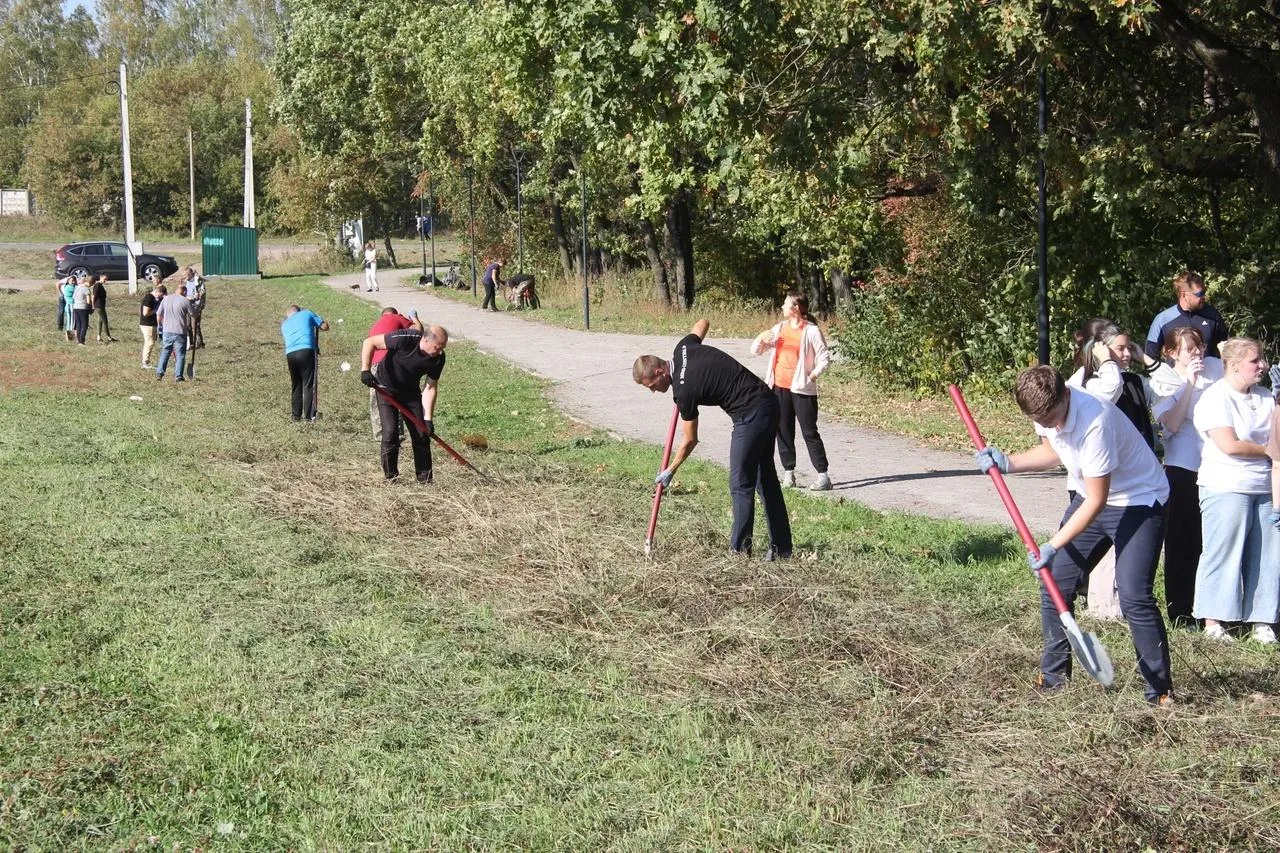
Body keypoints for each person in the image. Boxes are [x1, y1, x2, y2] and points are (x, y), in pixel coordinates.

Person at [975, 365, 1172, 705]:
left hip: (1139, 500)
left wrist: (1053, 543)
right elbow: (1055, 450)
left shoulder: (1095, 421)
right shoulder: (1045, 408)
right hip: (1093, 497)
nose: (1050, 425)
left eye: (1053, 417)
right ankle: (1053, 680)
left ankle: (1159, 692)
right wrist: (1009, 462)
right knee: (1055, 583)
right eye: (1042, 420)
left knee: (1133, 595)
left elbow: (1097, 500)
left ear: (1066, 394)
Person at [633, 319, 793, 559]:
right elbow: (703, 323)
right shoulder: (683, 348)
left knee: (741, 484)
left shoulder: (683, 392)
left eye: (652, 385)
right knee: (764, 479)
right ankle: (782, 550)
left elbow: (690, 439)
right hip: (767, 403)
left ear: (660, 371)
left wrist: (670, 470)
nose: (653, 391)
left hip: (749, 415)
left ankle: (739, 553)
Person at [1191, 338, 1277, 644]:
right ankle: (1214, 621)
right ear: (1233, 364)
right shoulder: (1215, 398)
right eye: (1255, 360)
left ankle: (1262, 620)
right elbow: (1230, 445)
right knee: (1223, 551)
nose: (1262, 366)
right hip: (1225, 486)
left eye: (1262, 359)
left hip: (1265, 487)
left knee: (1269, 555)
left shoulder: (1267, 397)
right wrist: (1271, 451)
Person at [1149, 327, 1222, 628]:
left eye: (1201, 347)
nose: (1198, 354)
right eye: (1190, 349)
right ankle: (1181, 609)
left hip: (1217, 466)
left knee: (1211, 541)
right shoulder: (1163, 380)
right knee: (1182, 540)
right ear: (1171, 352)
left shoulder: (1217, 368)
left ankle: (1213, 610)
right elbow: (1173, 424)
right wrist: (1189, 383)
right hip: (1183, 467)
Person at [750, 290, 832, 491]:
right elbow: (756, 351)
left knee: (809, 432)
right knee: (783, 431)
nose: (782, 307)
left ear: (796, 308)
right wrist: (761, 338)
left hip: (802, 390)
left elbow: (824, 359)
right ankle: (789, 473)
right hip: (779, 388)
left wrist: (810, 377)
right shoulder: (779, 329)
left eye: (785, 304)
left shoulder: (811, 331)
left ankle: (823, 476)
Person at [359, 325, 449, 483]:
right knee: (390, 433)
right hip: (386, 388)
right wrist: (365, 370)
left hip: (410, 392)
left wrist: (428, 419)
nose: (440, 351)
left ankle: (425, 479)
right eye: (438, 347)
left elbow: (430, 387)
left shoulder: (439, 358)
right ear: (426, 340)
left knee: (421, 434)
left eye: (443, 347)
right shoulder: (405, 338)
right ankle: (391, 477)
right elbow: (370, 342)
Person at [365, 306, 424, 440]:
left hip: (374, 364)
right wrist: (414, 317)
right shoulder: (397, 317)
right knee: (395, 397)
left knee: (377, 400)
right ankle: (397, 433)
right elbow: (418, 332)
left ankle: (381, 434)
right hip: (388, 364)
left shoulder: (375, 326)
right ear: (395, 313)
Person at [1144, 271, 1230, 361]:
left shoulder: (1212, 315)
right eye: (1199, 294)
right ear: (1184, 295)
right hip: (1177, 374)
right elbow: (1150, 356)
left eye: (1204, 292)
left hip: (1209, 373)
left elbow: (1228, 347)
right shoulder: (1162, 320)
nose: (1204, 296)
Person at [281, 304, 331, 422]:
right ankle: (309, 416)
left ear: (289, 314)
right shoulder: (307, 313)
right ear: (299, 311)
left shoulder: (284, 324)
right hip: (306, 350)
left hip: (290, 354)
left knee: (296, 384)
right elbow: (325, 327)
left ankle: (296, 416)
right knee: (309, 384)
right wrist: (319, 319)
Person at [155, 283, 193, 382]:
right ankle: (178, 375)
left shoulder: (166, 299)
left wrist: (160, 326)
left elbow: (158, 314)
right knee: (180, 354)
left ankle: (160, 373)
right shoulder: (185, 301)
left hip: (167, 330)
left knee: (165, 351)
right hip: (180, 331)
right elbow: (193, 314)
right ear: (184, 292)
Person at [139, 280, 164, 368]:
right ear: (158, 292)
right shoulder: (149, 298)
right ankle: (145, 362)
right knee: (149, 342)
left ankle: (145, 360)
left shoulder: (154, 298)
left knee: (151, 342)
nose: (160, 297)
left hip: (152, 324)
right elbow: (145, 313)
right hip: (147, 324)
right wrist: (156, 310)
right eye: (160, 295)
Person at [183, 267, 206, 348]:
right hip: (187, 305)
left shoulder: (198, 281)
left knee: (195, 325)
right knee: (187, 325)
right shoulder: (185, 281)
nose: (184, 276)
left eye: (186, 274)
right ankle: (191, 343)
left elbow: (201, 294)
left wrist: (192, 297)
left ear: (190, 273)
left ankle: (199, 343)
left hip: (196, 306)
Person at [91, 274, 115, 343]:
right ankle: (109, 337)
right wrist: (93, 305)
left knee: (100, 321)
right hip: (99, 306)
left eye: (106, 279)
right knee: (105, 321)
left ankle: (98, 337)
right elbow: (93, 296)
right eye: (105, 279)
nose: (106, 281)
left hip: (101, 305)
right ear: (101, 278)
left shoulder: (100, 285)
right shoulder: (97, 285)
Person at [70, 274, 92, 346]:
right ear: (90, 282)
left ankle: (79, 340)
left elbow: (73, 298)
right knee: (84, 325)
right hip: (83, 308)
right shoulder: (86, 289)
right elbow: (88, 301)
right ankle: (82, 341)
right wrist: (90, 308)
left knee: (78, 324)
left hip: (76, 307)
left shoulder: (78, 287)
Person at [61, 276, 75, 342]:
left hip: (69, 305)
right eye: (71, 280)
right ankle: (70, 338)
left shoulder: (67, 287)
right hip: (70, 305)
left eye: (74, 280)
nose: (73, 282)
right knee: (71, 322)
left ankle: (69, 338)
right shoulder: (70, 287)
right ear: (68, 281)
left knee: (70, 322)